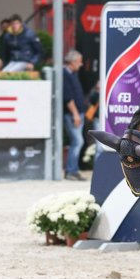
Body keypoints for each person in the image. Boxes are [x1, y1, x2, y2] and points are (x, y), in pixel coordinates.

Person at [63, 50, 87, 181]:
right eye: (79, 61)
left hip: (79, 113)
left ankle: (74, 170)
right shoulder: (65, 74)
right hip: (72, 115)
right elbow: (68, 98)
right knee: (77, 141)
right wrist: (75, 114)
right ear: (72, 62)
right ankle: (71, 171)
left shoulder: (73, 74)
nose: (81, 64)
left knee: (77, 141)